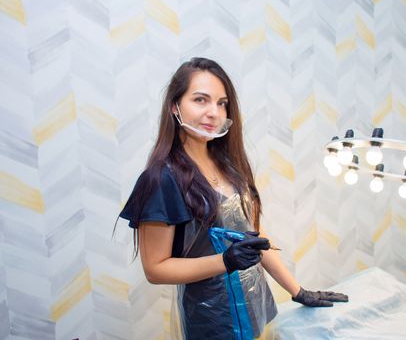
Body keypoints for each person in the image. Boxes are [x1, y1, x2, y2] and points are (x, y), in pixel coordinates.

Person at [118, 57, 348, 340]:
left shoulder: (230, 166)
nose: (214, 112)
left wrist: (298, 291)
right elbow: (155, 268)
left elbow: (252, 236)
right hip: (212, 322)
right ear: (174, 106)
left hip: (256, 309)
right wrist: (224, 261)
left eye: (221, 103)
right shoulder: (161, 179)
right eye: (200, 100)